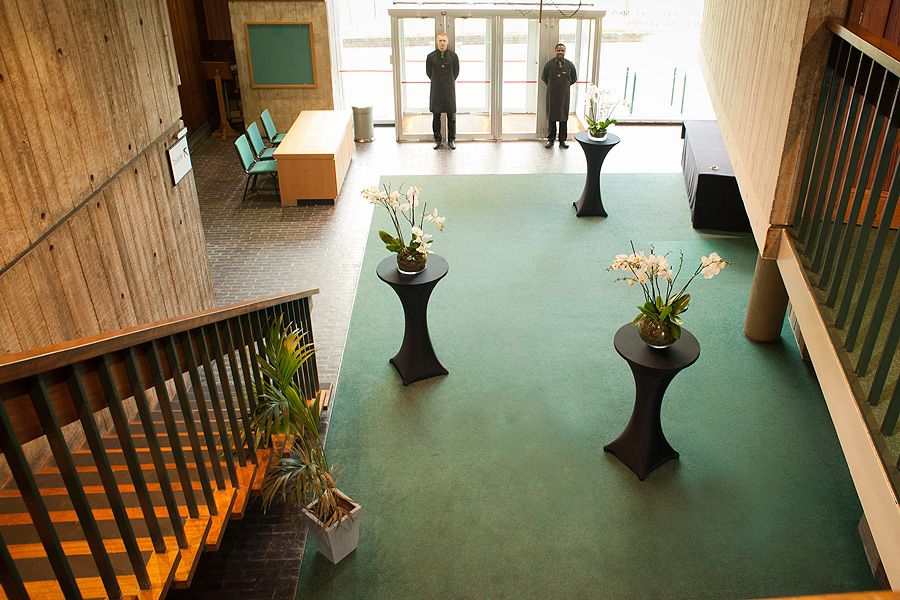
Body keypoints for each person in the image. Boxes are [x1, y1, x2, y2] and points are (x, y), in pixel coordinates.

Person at [426, 33, 460, 150]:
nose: (442, 43)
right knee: (436, 116)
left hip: (449, 90)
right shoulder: (430, 57)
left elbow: (455, 73)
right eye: (440, 41)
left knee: (451, 116)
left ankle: (451, 140)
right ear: (437, 42)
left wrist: (448, 81)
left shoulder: (453, 56)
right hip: (436, 90)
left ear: (447, 42)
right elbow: (429, 73)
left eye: (444, 41)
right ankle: (437, 140)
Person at [541, 43, 577, 148]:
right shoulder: (549, 65)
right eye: (558, 50)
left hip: (564, 96)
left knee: (563, 118)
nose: (560, 52)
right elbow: (544, 78)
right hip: (552, 95)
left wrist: (563, 86)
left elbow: (574, 78)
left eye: (562, 50)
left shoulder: (570, 65)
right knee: (552, 117)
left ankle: (562, 140)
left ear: (565, 52)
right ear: (555, 51)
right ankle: (550, 140)